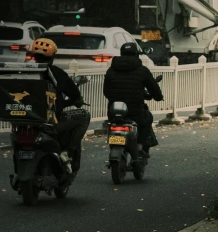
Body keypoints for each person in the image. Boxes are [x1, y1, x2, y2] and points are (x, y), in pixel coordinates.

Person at [29, 38, 89, 172]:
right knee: (85, 115)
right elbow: (75, 94)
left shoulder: (22, 72)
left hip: (25, 123)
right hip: (49, 122)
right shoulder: (56, 73)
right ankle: (68, 151)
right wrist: (76, 100)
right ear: (52, 57)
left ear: (33, 56)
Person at [103, 42, 164, 157]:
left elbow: (106, 92)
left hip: (114, 113)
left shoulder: (111, 70)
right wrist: (158, 97)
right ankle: (140, 145)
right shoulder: (142, 70)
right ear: (136, 54)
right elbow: (153, 88)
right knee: (148, 117)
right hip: (135, 113)